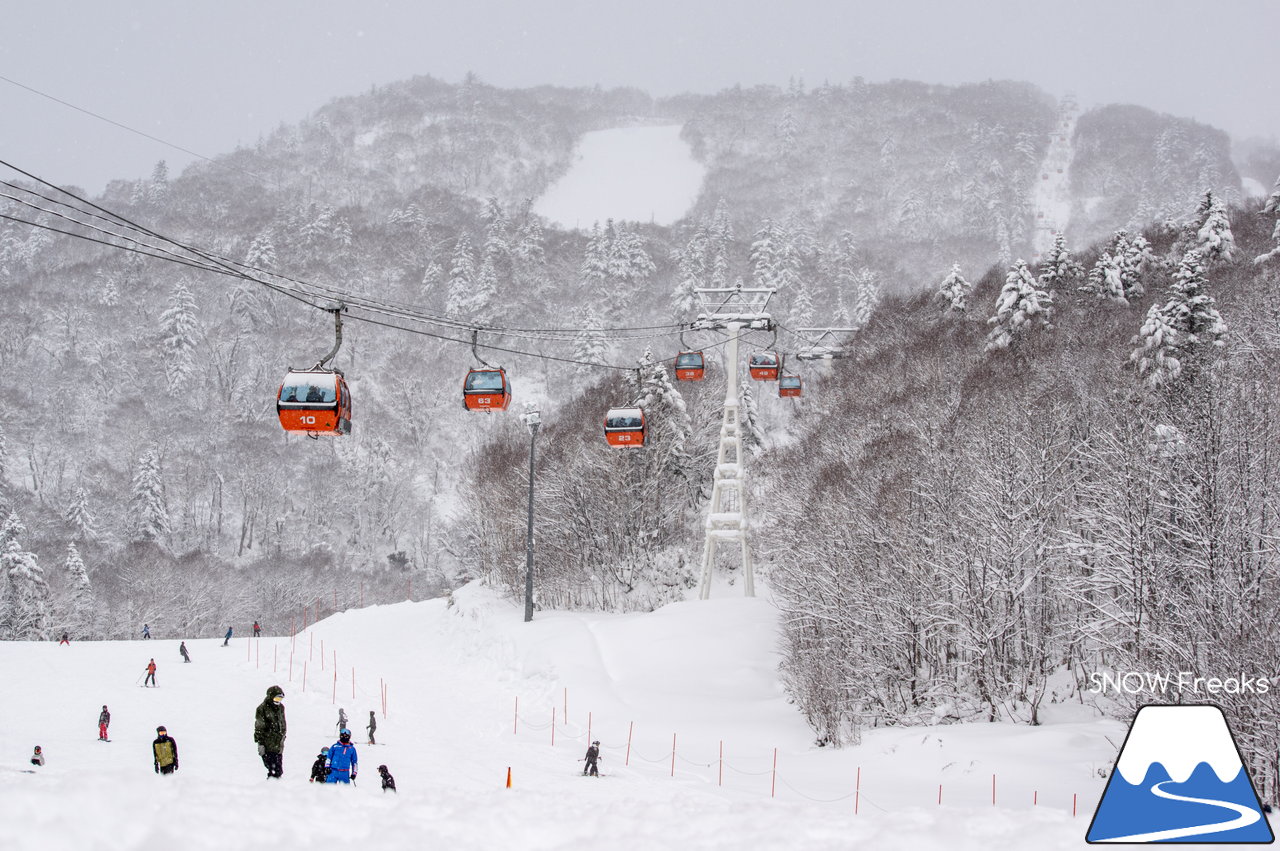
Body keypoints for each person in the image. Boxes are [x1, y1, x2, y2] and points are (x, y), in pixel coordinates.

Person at [253, 685, 287, 779]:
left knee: (279, 771)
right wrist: (260, 743)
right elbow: (259, 726)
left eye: (280, 699)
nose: (278, 701)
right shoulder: (262, 708)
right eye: (276, 698)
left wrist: (283, 736)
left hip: (278, 745)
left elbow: (283, 723)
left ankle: (275, 788)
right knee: (273, 770)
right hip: (267, 744)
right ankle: (271, 789)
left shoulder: (281, 708)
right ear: (270, 696)